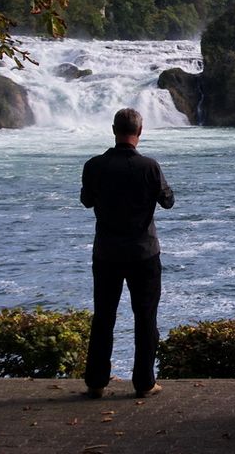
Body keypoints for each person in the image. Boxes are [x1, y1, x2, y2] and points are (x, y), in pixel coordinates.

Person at [80, 108, 175, 399]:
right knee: (145, 317)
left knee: (104, 316)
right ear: (140, 131)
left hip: (107, 252)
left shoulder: (95, 165)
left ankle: (96, 381)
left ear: (113, 130)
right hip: (143, 252)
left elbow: (86, 201)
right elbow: (168, 201)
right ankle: (144, 382)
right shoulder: (149, 166)